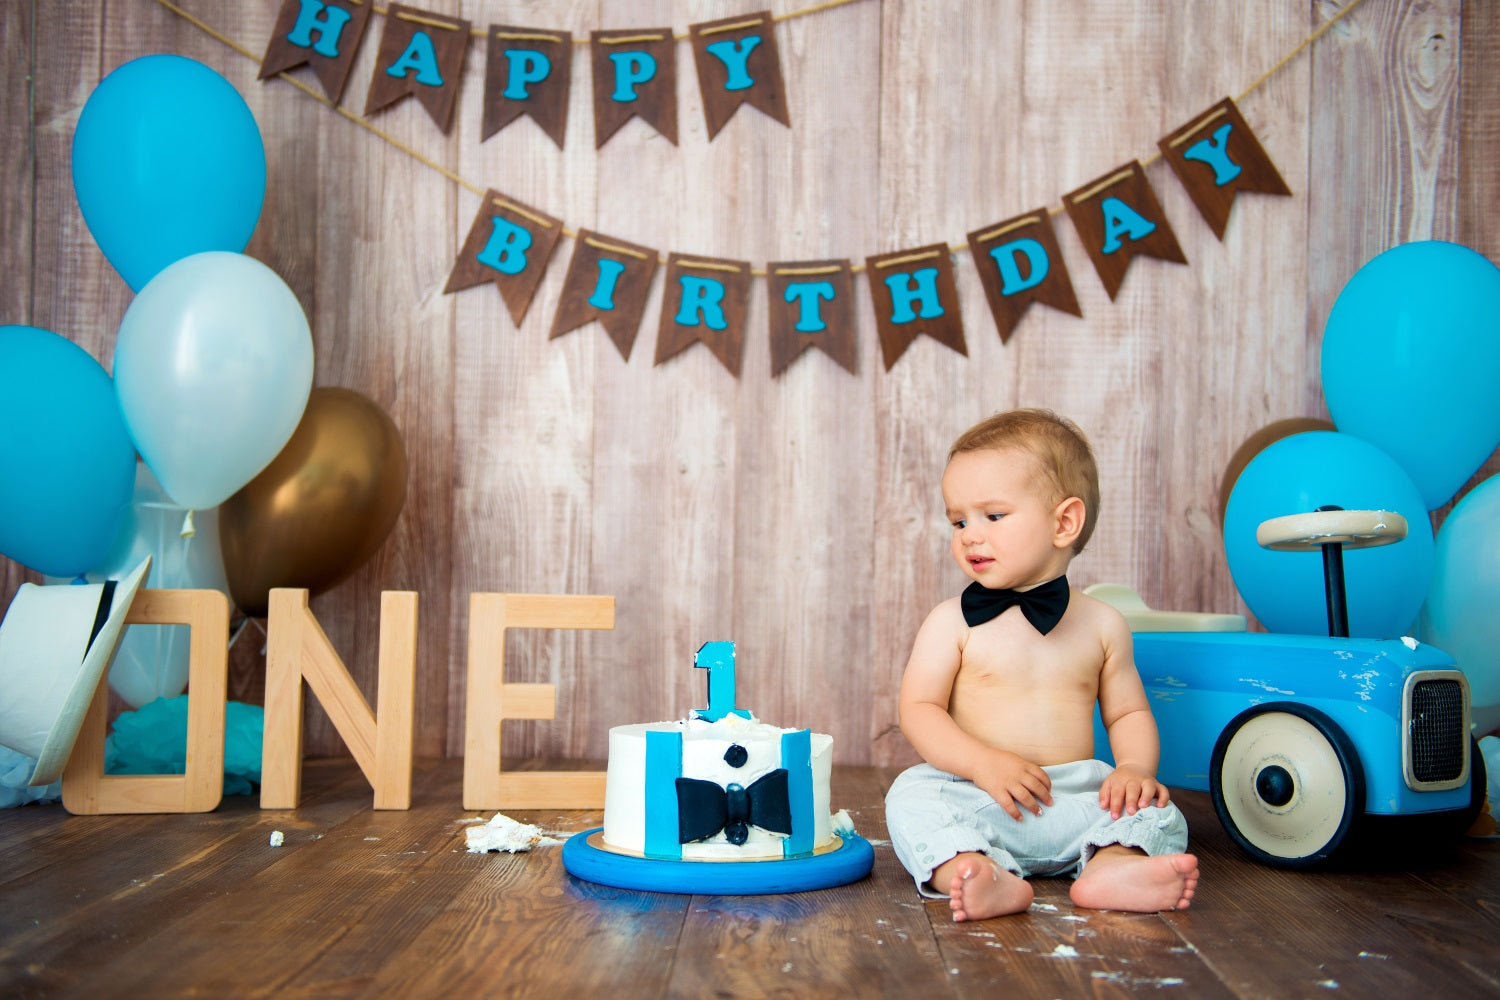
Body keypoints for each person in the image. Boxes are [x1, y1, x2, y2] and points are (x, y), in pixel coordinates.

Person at [884, 408, 1198, 921]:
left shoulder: (1102, 624)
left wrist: (1135, 770)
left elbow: (1127, 714)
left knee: (1160, 811)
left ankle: (1111, 867)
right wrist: (982, 763)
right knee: (911, 797)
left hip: (1075, 797)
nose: (968, 534)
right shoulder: (951, 622)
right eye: (958, 520)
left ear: (1063, 522)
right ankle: (977, 870)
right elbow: (918, 709)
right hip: (979, 795)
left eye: (992, 515)